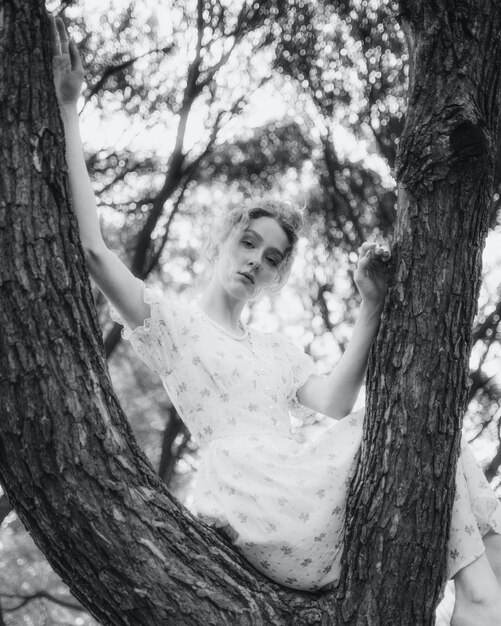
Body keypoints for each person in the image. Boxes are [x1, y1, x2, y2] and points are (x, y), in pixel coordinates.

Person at [48, 13, 501, 625]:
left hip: (305, 489)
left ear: (279, 276)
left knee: (437, 433)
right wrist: (70, 108)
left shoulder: (277, 348)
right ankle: (480, 595)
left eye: (272, 259)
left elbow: (336, 404)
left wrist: (370, 306)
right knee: (432, 435)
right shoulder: (172, 321)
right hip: (255, 499)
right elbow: (94, 249)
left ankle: (483, 597)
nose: (255, 261)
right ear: (224, 237)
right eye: (249, 242)